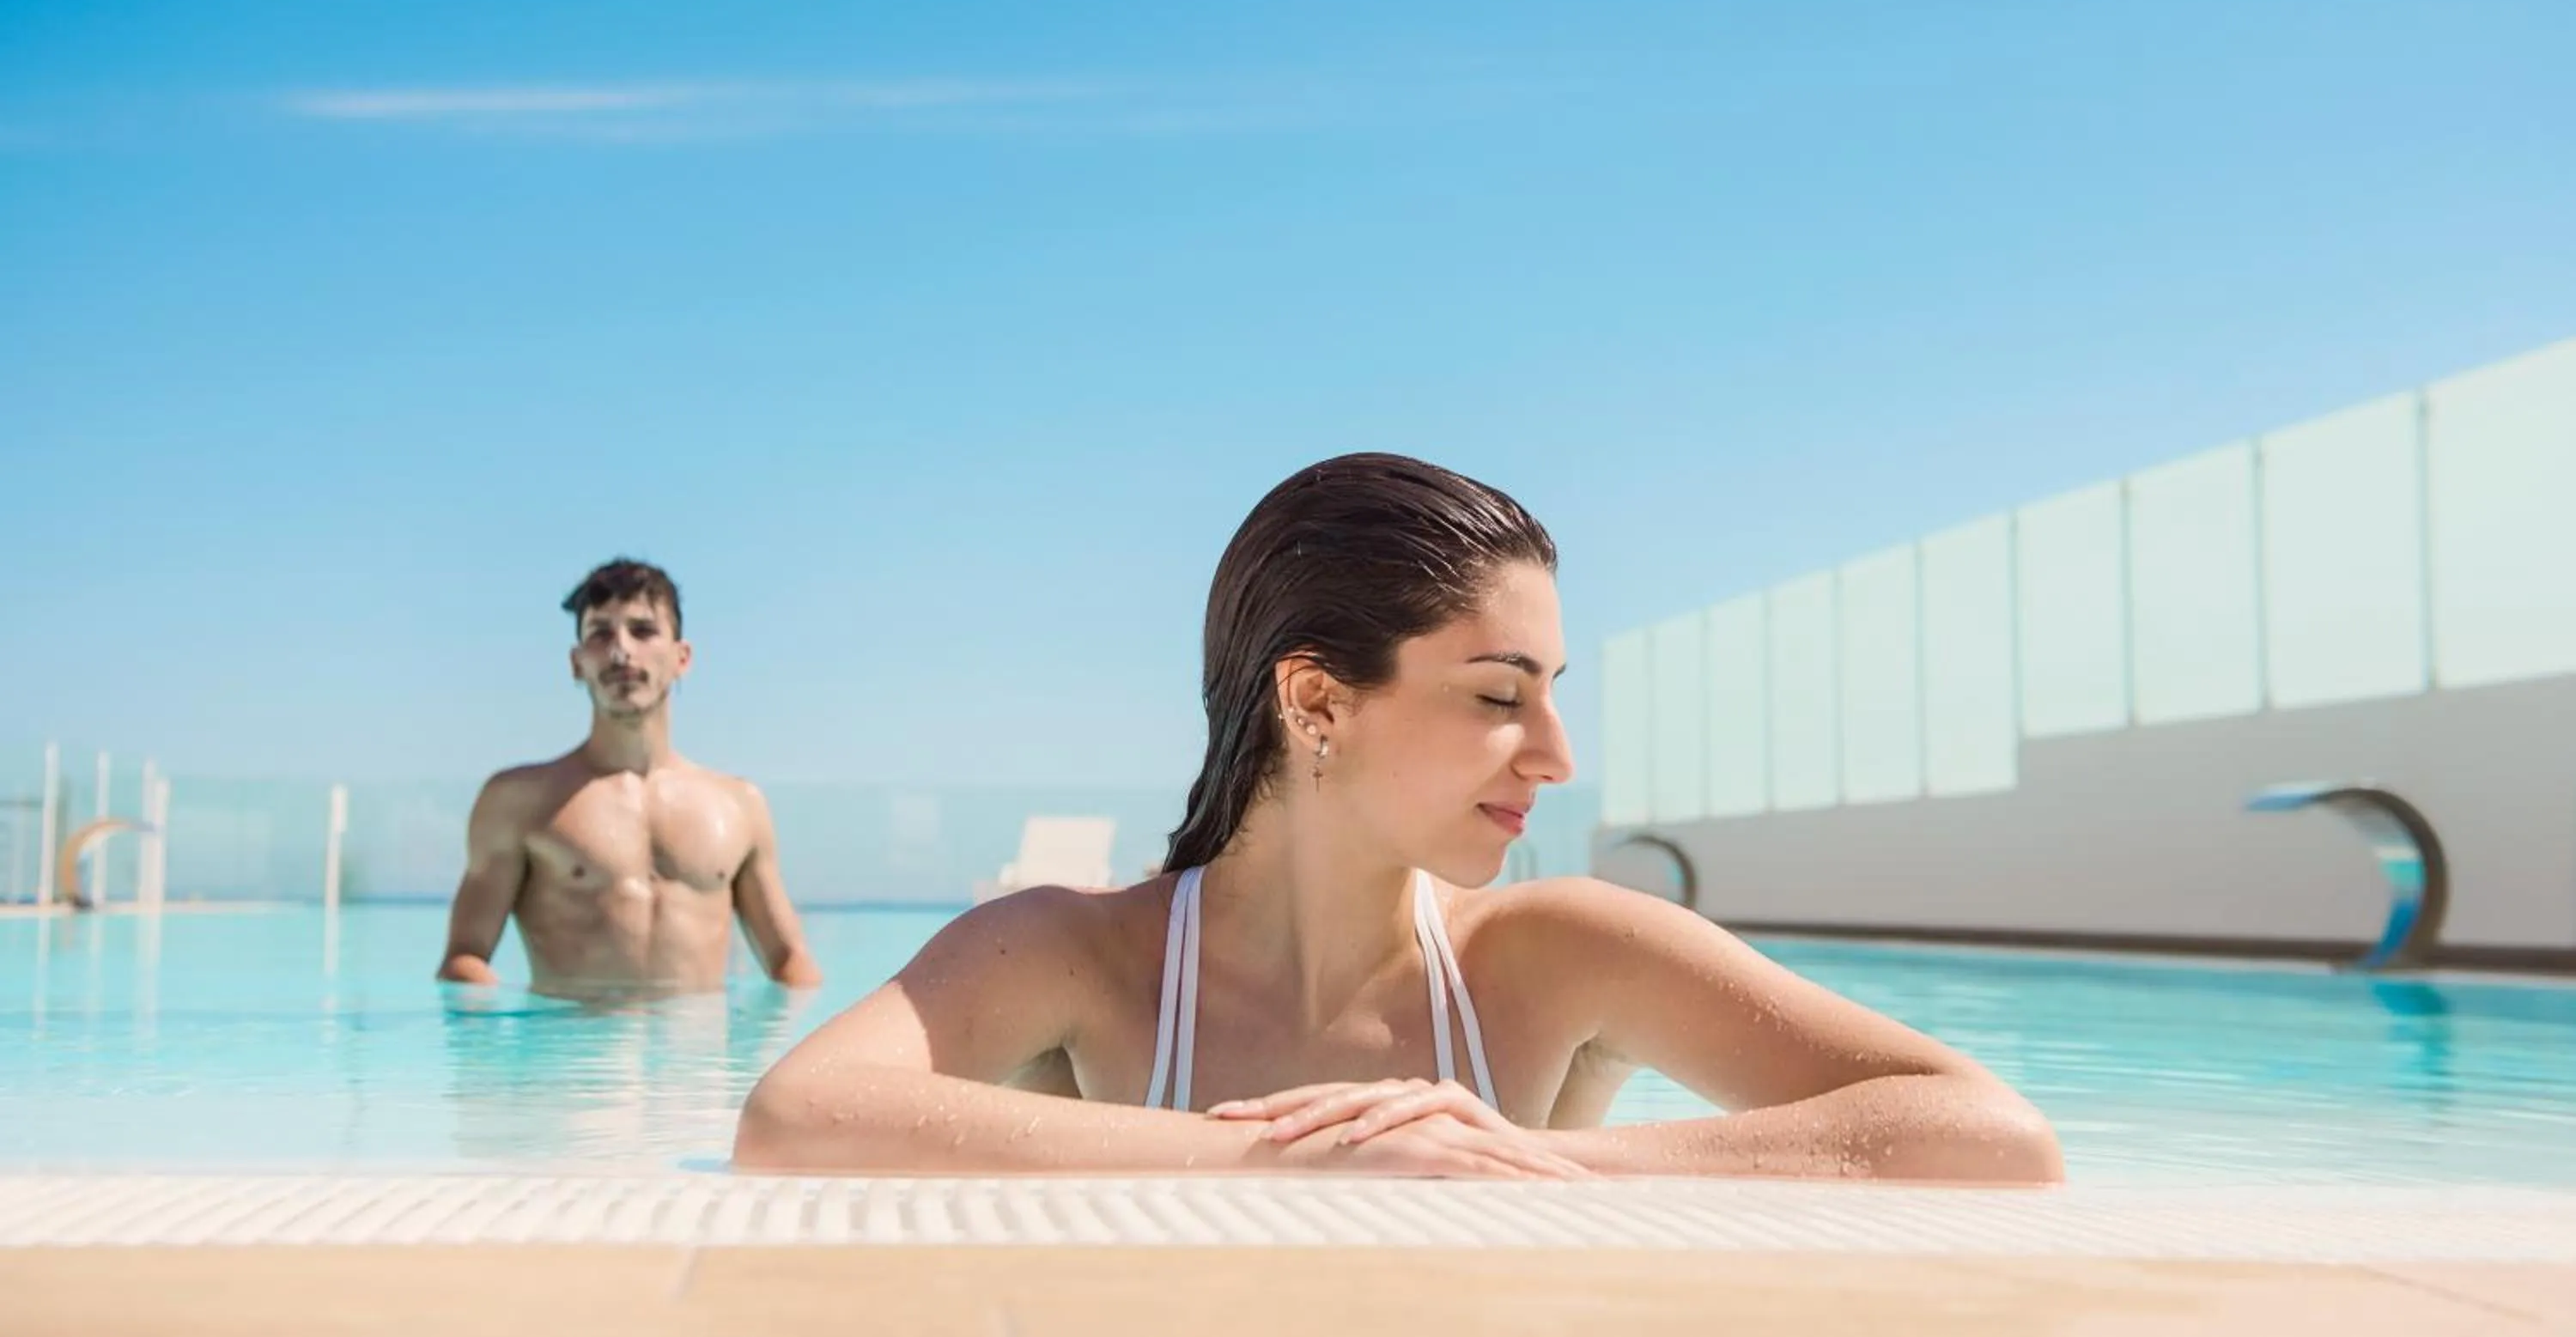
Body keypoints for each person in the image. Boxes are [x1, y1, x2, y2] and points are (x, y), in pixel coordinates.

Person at [733, 455, 2059, 1181]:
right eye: (1499, 694)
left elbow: (1993, 1135)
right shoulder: (1076, 954)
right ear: (1316, 697)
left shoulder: (1561, 952)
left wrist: (1545, 1171)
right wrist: (1280, 1164)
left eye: (1552, 694)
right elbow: (794, 1119)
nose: (1555, 752)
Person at [437, 559, 822, 998]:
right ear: (577, 662)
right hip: (570, 1060)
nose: (621, 650)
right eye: (600, 633)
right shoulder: (518, 801)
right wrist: (497, 1043)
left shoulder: (738, 805)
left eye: (643, 631)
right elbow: (463, 958)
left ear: (682, 658)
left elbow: (790, 960)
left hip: (702, 1063)